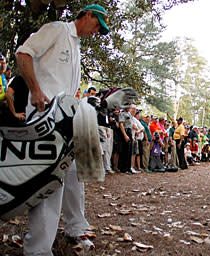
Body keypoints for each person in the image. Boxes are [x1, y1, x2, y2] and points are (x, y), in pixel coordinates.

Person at [15, 4, 110, 255]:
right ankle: (38, 249)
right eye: (96, 24)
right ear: (87, 15)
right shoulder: (56, 30)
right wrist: (35, 90)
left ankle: (75, 227)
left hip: (67, 119)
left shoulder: (76, 46)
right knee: (50, 182)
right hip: (44, 115)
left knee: (76, 174)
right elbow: (23, 54)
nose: (96, 31)